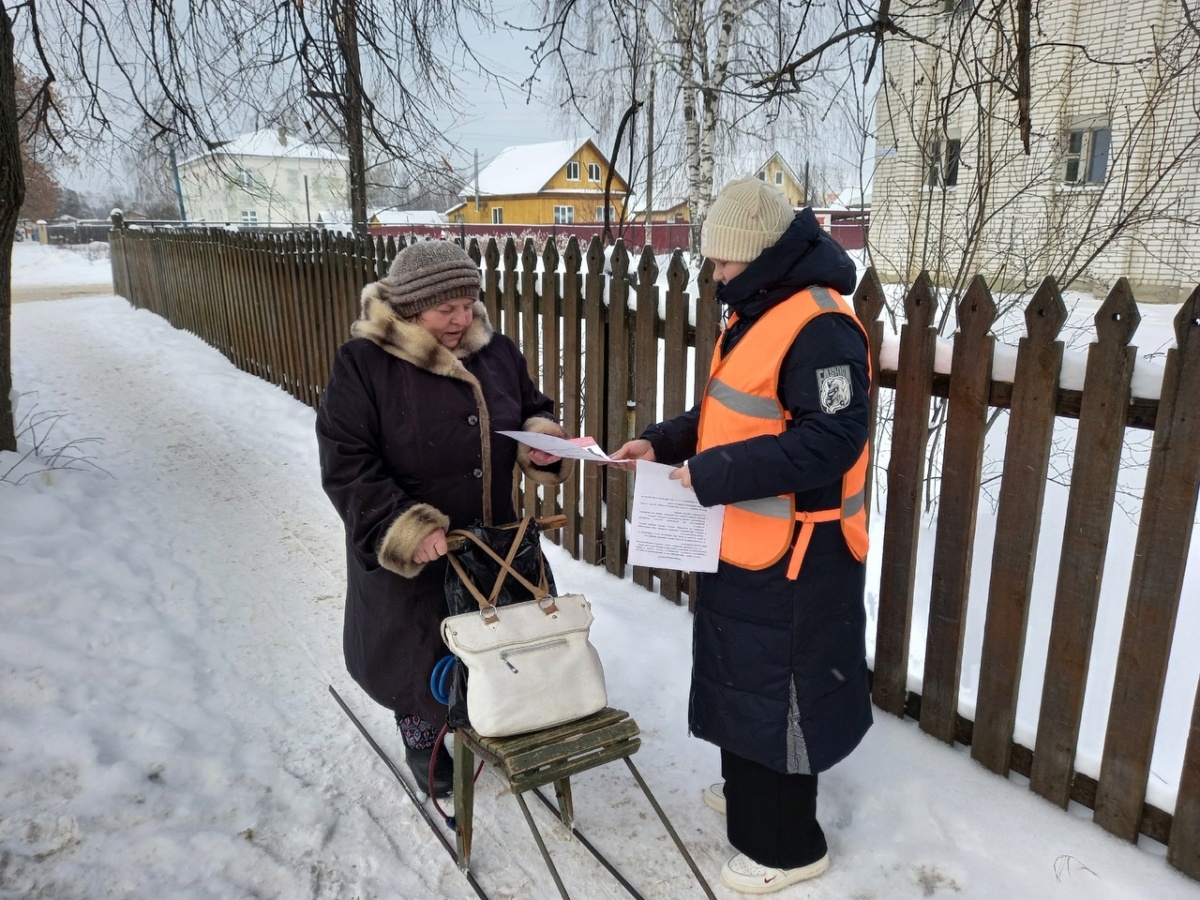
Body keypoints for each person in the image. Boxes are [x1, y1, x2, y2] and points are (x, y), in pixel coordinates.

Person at [612, 177, 872, 894]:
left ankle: (788, 845)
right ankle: (749, 797)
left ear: (759, 256)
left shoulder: (821, 326)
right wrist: (661, 444)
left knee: (780, 687)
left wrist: (717, 474)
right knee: (743, 675)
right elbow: (730, 416)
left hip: (801, 553)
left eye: (723, 261)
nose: (715, 272)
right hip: (746, 536)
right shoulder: (760, 311)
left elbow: (836, 438)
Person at [316, 240, 573, 796]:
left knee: (495, 643)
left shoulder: (497, 351)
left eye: (468, 303)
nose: (462, 319)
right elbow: (347, 461)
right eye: (445, 309)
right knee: (418, 655)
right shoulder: (364, 364)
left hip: (490, 538)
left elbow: (530, 406)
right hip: (417, 549)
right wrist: (407, 526)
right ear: (410, 306)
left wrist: (542, 440)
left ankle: (494, 718)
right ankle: (421, 736)